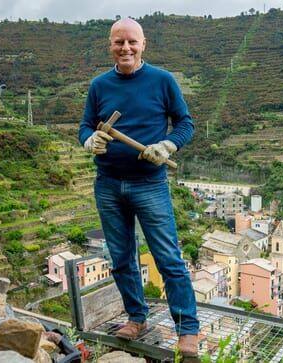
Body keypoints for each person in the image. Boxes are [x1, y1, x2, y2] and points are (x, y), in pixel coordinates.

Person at [78, 18, 200, 357]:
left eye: (132, 41)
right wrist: (90, 141)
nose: (126, 48)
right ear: (110, 44)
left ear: (143, 43)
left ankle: (187, 329)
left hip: (150, 184)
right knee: (120, 258)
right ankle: (137, 317)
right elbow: (86, 125)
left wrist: (168, 145)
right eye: (119, 42)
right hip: (108, 185)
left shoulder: (162, 81)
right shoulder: (99, 86)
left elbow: (185, 123)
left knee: (168, 258)